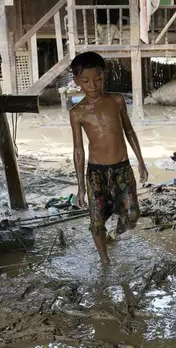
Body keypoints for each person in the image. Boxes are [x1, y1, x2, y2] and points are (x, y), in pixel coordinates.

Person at [69, 51, 148, 264]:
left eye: (97, 79)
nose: (92, 85)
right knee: (96, 222)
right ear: (77, 81)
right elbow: (78, 150)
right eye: (85, 81)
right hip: (96, 172)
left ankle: (117, 232)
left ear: (104, 76)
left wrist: (141, 161)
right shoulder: (77, 112)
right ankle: (105, 262)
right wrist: (80, 187)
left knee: (132, 215)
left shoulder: (117, 101)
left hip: (122, 168)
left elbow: (129, 132)